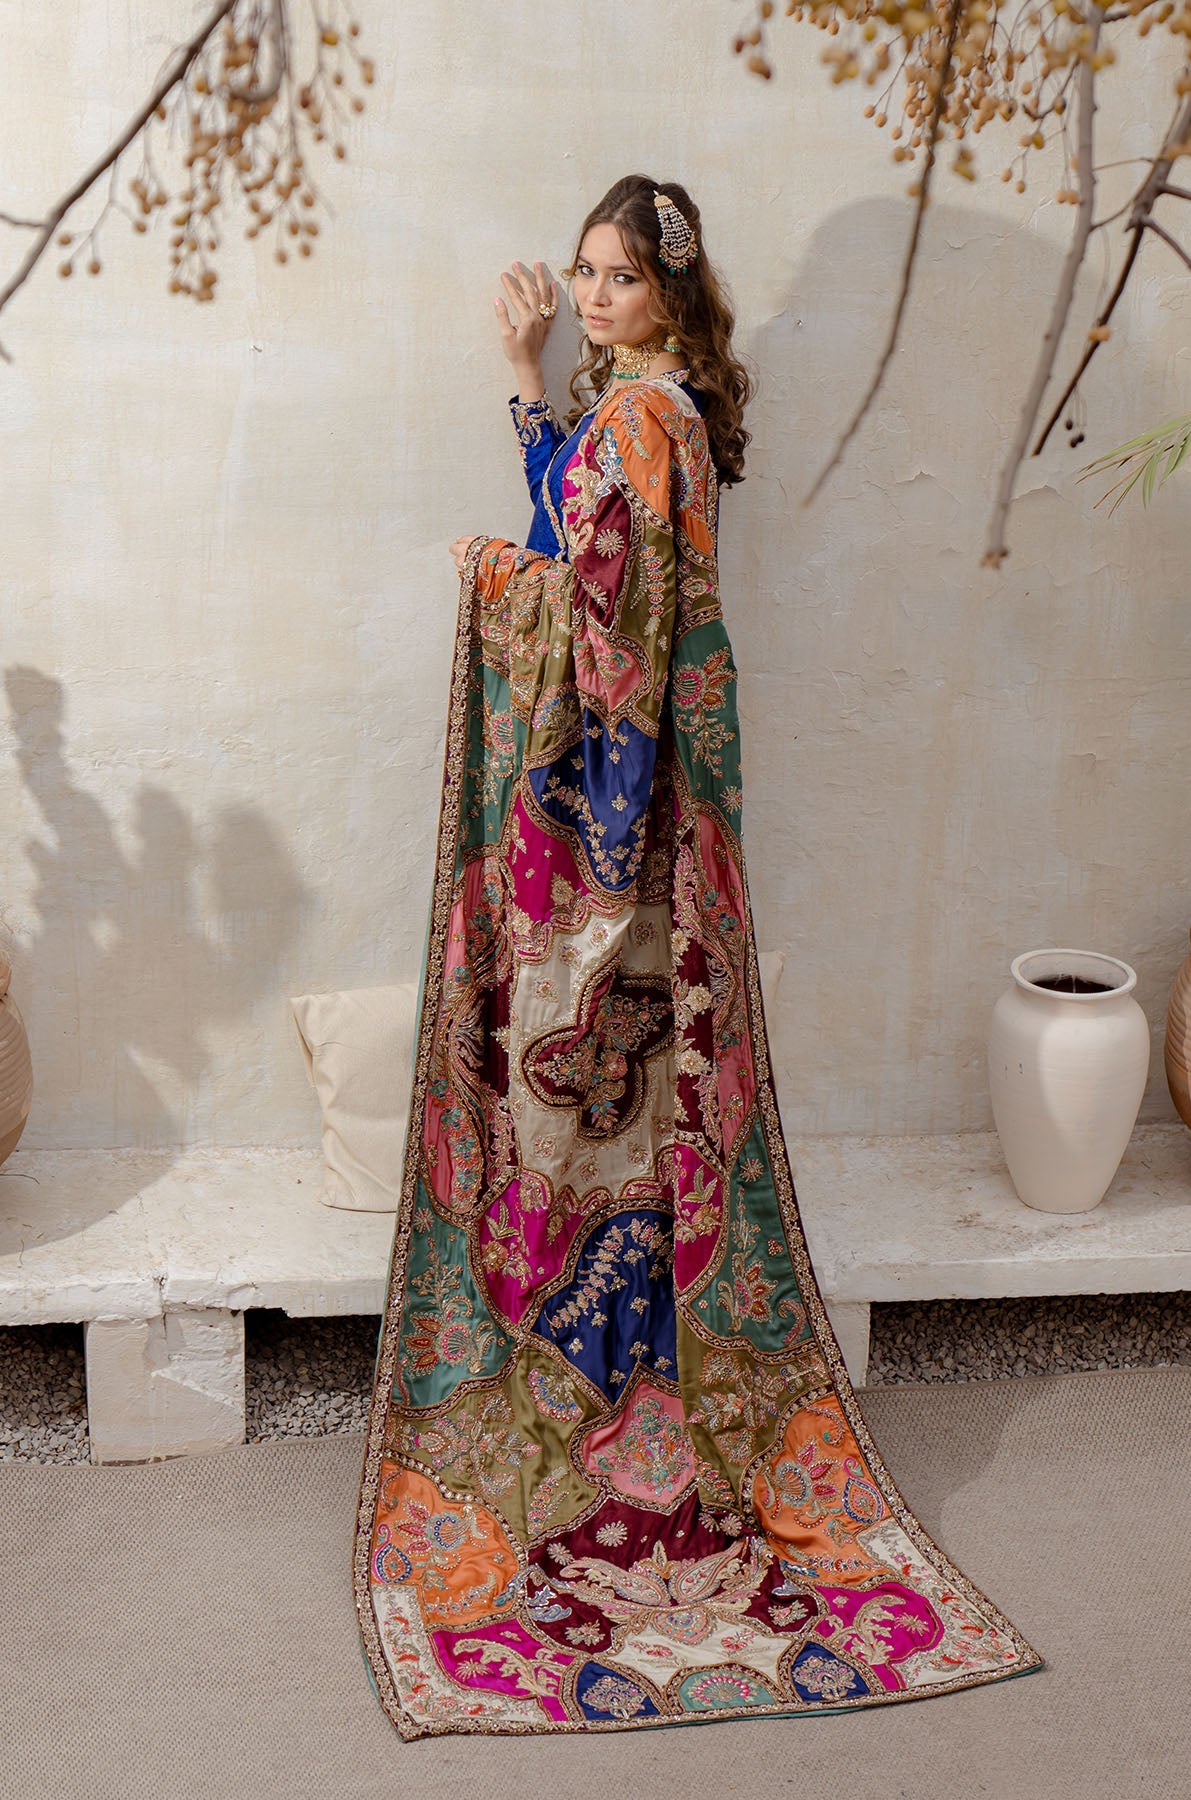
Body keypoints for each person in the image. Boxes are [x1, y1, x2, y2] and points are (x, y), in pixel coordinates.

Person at [353, 174, 1041, 1738]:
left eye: (618, 277)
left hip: (616, 823)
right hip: (654, 808)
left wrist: (488, 572)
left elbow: (585, 608)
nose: (593, 297)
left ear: (671, 290)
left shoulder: (643, 420)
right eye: (584, 274)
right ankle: (634, 1370)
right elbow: (589, 551)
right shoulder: (652, 415)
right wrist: (524, 383)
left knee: (596, 1086)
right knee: (645, 1097)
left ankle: (602, 1394)